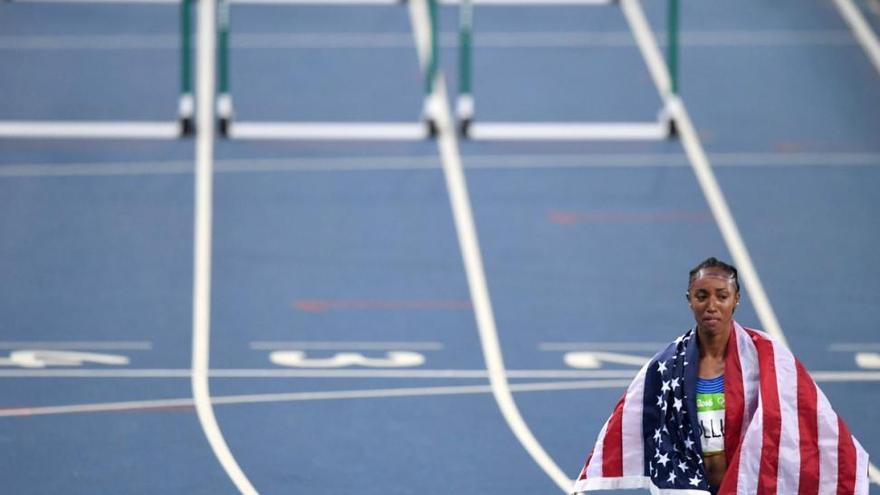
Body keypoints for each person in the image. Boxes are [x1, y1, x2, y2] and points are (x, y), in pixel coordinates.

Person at [571, 257, 869, 494]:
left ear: (736, 299)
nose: (711, 306)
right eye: (702, 296)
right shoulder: (670, 364)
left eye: (721, 296)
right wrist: (592, 471)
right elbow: (632, 413)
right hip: (691, 484)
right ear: (689, 299)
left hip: (745, 484)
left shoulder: (766, 358)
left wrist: (847, 464)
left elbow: (810, 414)